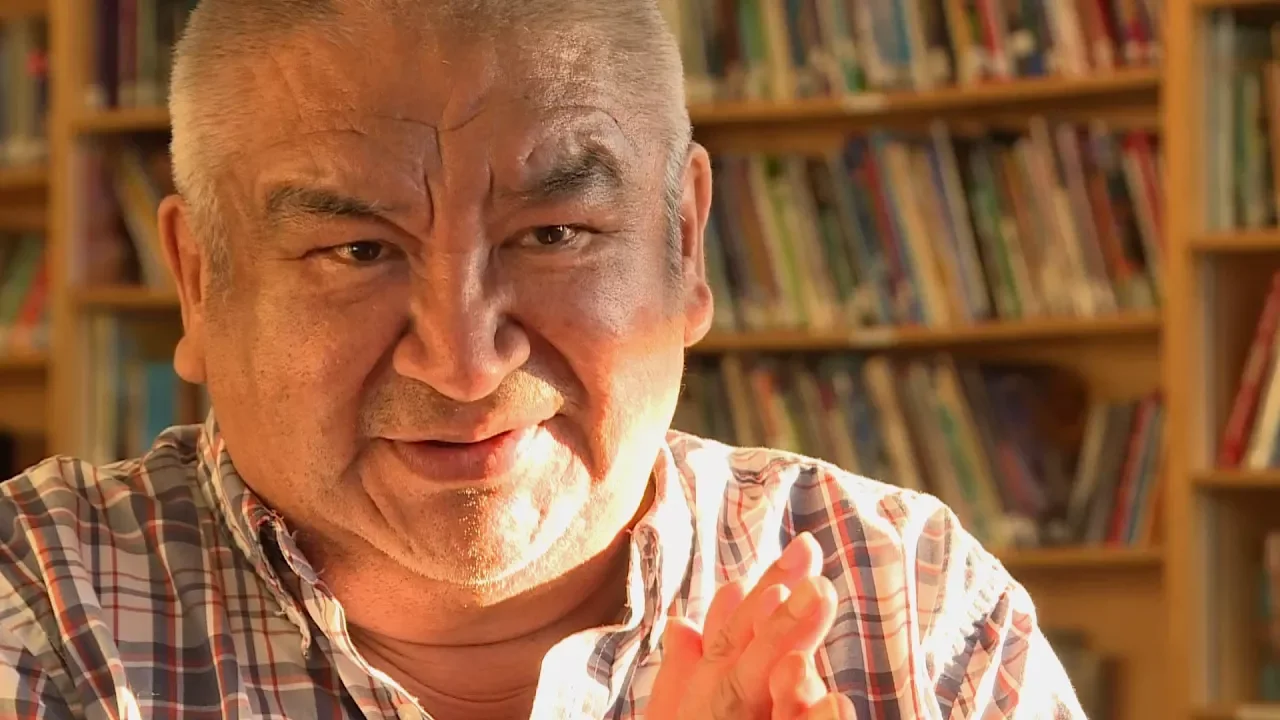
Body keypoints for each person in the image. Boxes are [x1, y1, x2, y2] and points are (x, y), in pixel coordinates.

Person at [0, 1, 1087, 718]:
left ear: (683, 243)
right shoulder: (41, 609)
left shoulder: (910, 606)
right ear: (199, 280)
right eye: (358, 250)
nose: (465, 363)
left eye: (554, 234)